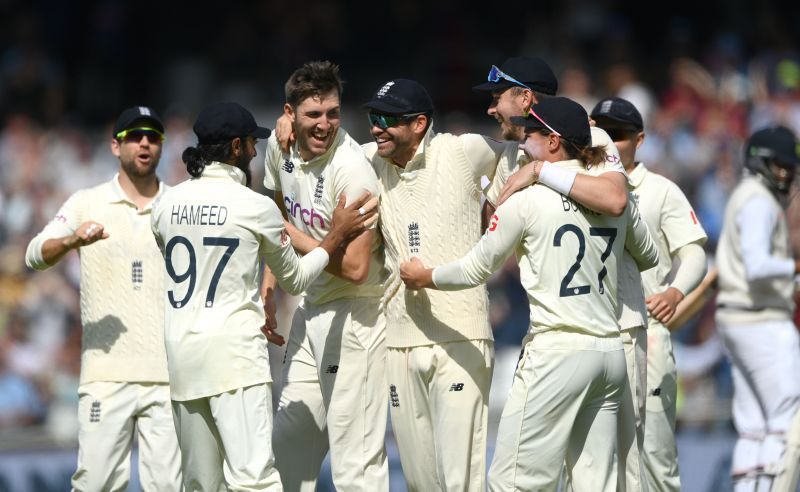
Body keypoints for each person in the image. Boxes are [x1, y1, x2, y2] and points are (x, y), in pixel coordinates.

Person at [399, 96, 658, 492]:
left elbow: (474, 268)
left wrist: (426, 275)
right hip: (609, 354)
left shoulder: (528, 199)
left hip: (556, 351)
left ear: (553, 142)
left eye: (531, 133)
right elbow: (649, 252)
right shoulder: (611, 197)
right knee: (597, 484)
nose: (522, 140)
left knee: (513, 483)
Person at [150, 101, 376, 490]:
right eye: (251, 145)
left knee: (200, 483)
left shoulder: (164, 203)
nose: (256, 152)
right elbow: (299, 279)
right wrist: (335, 236)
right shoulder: (256, 207)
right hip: (235, 358)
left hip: (181, 356)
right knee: (254, 480)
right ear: (236, 147)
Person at [475, 56, 652, 492]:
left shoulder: (589, 136)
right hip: (566, 332)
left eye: (498, 97)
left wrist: (539, 171)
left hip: (617, 327)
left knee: (621, 480)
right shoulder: (515, 150)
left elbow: (613, 200)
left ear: (526, 98)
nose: (491, 108)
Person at [24, 106, 183, 491]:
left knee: (170, 487)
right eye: (134, 136)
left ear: (162, 146)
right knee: (95, 484)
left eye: (153, 136)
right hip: (105, 376)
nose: (144, 142)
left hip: (168, 376)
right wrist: (73, 240)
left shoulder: (180, 204)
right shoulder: (86, 202)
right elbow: (35, 252)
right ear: (115, 146)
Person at [261, 61, 389, 492]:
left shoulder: (352, 171)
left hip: (356, 318)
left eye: (332, 113)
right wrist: (269, 281)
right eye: (313, 114)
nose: (324, 124)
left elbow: (355, 268)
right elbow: (275, 212)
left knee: (355, 464)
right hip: (310, 310)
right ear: (290, 114)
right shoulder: (280, 147)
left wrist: (292, 236)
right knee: (288, 447)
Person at [591, 96, 709, 492]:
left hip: (647, 332)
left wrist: (676, 292)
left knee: (654, 459)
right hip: (589, 333)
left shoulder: (660, 190)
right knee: (594, 462)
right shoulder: (577, 184)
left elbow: (693, 253)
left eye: (618, 134)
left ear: (639, 139)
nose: (608, 141)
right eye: (600, 130)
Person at [715, 125, 800, 492]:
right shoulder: (758, 201)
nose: (788, 175)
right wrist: (795, 268)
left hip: (738, 317)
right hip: (761, 321)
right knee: (787, 419)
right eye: (782, 166)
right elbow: (757, 265)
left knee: (753, 427)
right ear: (762, 163)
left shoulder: (747, 195)